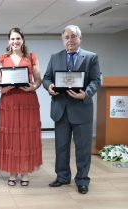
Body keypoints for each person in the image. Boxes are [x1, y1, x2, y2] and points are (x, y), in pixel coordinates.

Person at [42, 25, 101, 194]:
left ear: (80, 38)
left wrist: (86, 94)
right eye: (66, 37)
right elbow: (46, 78)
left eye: (73, 36)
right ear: (63, 40)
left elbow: (96, 80)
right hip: (60, 109)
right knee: (61, 147)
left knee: (83, 148)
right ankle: (62, 177)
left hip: (82, 109)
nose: (70, 40)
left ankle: (82, 180)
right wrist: (50, 86)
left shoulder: (91, 57)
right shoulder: (55, 57)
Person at [0, 28, 42, 187]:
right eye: (12, 39)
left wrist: (33, 87)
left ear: (23, 40)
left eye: (18, 39)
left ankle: (24, 172)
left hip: (27, 100)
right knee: (12, 138)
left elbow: (38, 80)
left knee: (26, 137)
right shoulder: (2, 58)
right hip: (9, 102)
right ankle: (12, 172)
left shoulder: (31, 57)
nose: (15, 42)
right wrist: (1, 88)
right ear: (9, 41)